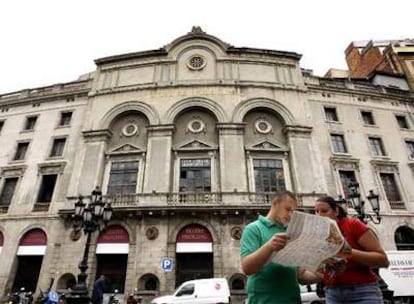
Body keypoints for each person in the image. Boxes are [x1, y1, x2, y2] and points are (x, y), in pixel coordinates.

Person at [240, 190, 320, 304]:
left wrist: (323, 273)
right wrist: (269, 246)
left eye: (293, 212)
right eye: (287, 209)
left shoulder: (291, 233)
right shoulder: (253, 229)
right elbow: (247, 268)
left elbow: (301, 275)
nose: (290, 215)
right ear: (275, 203)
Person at [314, 196, 389, 304]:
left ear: (336, 211)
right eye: (316, 211)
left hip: (363, 292)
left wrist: (348, 251)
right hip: (333, 293)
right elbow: (320, 271)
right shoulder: (318, 235)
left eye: (324, 211)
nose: (319, 215)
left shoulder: (353, 225)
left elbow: (383, 260)